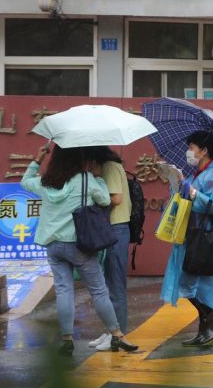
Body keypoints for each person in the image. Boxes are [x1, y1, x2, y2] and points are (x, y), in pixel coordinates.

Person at [21, 144, 137, 356]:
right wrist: (99, 179)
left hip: (53, 245)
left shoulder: (46, 182)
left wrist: (37, 160)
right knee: (99, 290)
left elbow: (25, 182)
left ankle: (66, 340)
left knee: (64, 291)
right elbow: (104, 200)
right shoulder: (85, 179)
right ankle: (117, 334)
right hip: (79, 245)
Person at [160, 131, 213, 347]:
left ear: (204, 150)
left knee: (196, 283)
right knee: (190, 282)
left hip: (207, 236)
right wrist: (176, 183)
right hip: (192, 235)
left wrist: (190, 192)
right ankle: (206, 328)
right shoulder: (197, 174)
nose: (188, 151)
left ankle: (212, 323)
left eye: (192, 147)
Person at [85, 146, 133, 351]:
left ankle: (118, 334)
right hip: (110, 230)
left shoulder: (111, 167)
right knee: (108, 284)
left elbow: (116, 198)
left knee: (115, 285)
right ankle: (110, 331)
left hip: (116, 230)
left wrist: (95, 188)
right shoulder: (107, 167)